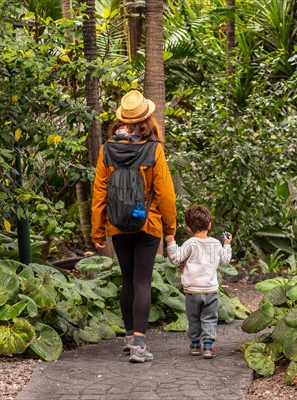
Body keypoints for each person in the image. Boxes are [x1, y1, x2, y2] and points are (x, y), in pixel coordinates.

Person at [91, 90, 177, 363]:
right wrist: (170, 228)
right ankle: (140, 345)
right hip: (148, 224)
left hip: (118, 225)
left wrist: (97, 230)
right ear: (147, 118)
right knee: (142, 280)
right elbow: (165, 192)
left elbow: (99, 192)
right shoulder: (154, 150)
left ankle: (129, 339)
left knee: (127, 280)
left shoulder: (107, 149)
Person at [164, 205, 232, 359]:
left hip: (192, 291)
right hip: (211, 291)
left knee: (193, 319)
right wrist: (227, 244)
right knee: (209, 318)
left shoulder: (190, 243)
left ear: (188, 228)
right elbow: (225, 260)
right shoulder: (216, 243)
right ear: (209, 225)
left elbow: (175, 259)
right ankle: (208, 347)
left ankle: (195, 345)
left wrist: (171, 242)